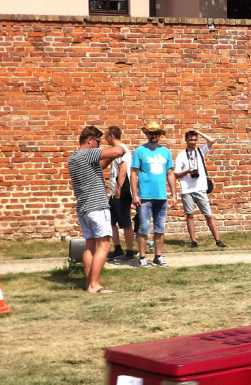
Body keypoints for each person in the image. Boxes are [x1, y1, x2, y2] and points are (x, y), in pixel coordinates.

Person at [67, 125, 123, 293]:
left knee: (90, 246)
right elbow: (118, 151)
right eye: (98, 141)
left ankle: (89, 284)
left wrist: (111, 157)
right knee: (104, 245)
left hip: (84, 208)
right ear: (89, 140)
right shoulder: (87, 153)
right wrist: (114, 141)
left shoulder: (74, 157)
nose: (99, 145)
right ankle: (95, 284)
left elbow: (102, 165)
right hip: (97, 206)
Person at [130, 121, 177, 267]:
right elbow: (133, 173)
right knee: (143, 227)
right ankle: (143, 257)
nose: (153, 135)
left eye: (156, 133)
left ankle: (158, 256)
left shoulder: (166, 152)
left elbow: (170, 173)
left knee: (160, 228)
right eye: (151, 133)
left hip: (161, 196)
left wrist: (174, 194)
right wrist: (135, 195)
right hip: (144, 195)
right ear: (146, 134)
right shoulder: (140, 151)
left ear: (160, 135)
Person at [175, 129, 226, 248]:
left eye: (195, 140)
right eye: (190, 140)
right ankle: (193, 241)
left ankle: (218, 240)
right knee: (190, 215)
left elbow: (212, 140)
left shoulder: (200, 151)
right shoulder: (181, 155)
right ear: (186, 140)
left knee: (208, 214)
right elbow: (176, 174)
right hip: (187, 189)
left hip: (200, 188)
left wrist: (199, 132)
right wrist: (188, 171)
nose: (193, 142)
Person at [105, 126, 136, 261]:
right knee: (111, 221)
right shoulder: (116, 150)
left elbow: (123, 170)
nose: (105, 138)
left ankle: (130, 251)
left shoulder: (121, 150)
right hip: (114, 193)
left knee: (125, 222)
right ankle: (117, 249)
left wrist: (118, 189)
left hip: (121, 193)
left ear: (112, 136)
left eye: (106, 135)